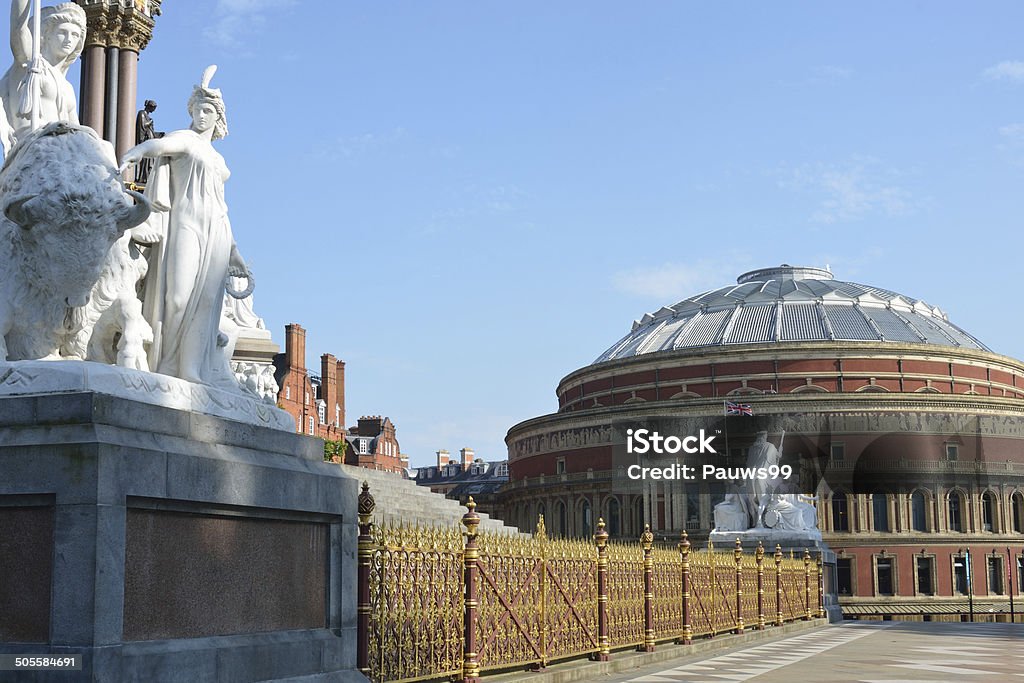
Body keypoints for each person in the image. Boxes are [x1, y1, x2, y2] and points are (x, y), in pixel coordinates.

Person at [120, 66, 249, 388]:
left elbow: (223, 207)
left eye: (208, 111)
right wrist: (135, 152)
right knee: (177, 297)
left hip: (216, 230)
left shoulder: (218, 161)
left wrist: (235, 254)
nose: (201, 116)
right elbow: (157, 147)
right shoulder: (187, 140)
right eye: (197, 109)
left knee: (206, 304)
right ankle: (166, 362)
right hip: (186, 223)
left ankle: (190, 368)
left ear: (218, 117)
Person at [0, 1, 85, 152]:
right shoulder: (29, 63)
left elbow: (77, 134)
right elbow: (18, 28)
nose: (69, 39)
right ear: (46, 35)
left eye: (75, 35)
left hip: (62, 151)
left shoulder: (67, 88)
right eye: (62, 32)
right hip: (32, 146)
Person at [134, 99, 162, 184]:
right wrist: (150, 122)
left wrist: (159, 134)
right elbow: (142, 126)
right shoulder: (142, 113)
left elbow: (151, 132)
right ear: (150, 107)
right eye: (153, 108)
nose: (153, 110)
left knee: (150, 161)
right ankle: (143, 178)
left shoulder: (148, 117)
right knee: (145, 162)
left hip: (150, 143)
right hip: (145, 143)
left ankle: (148, 177)